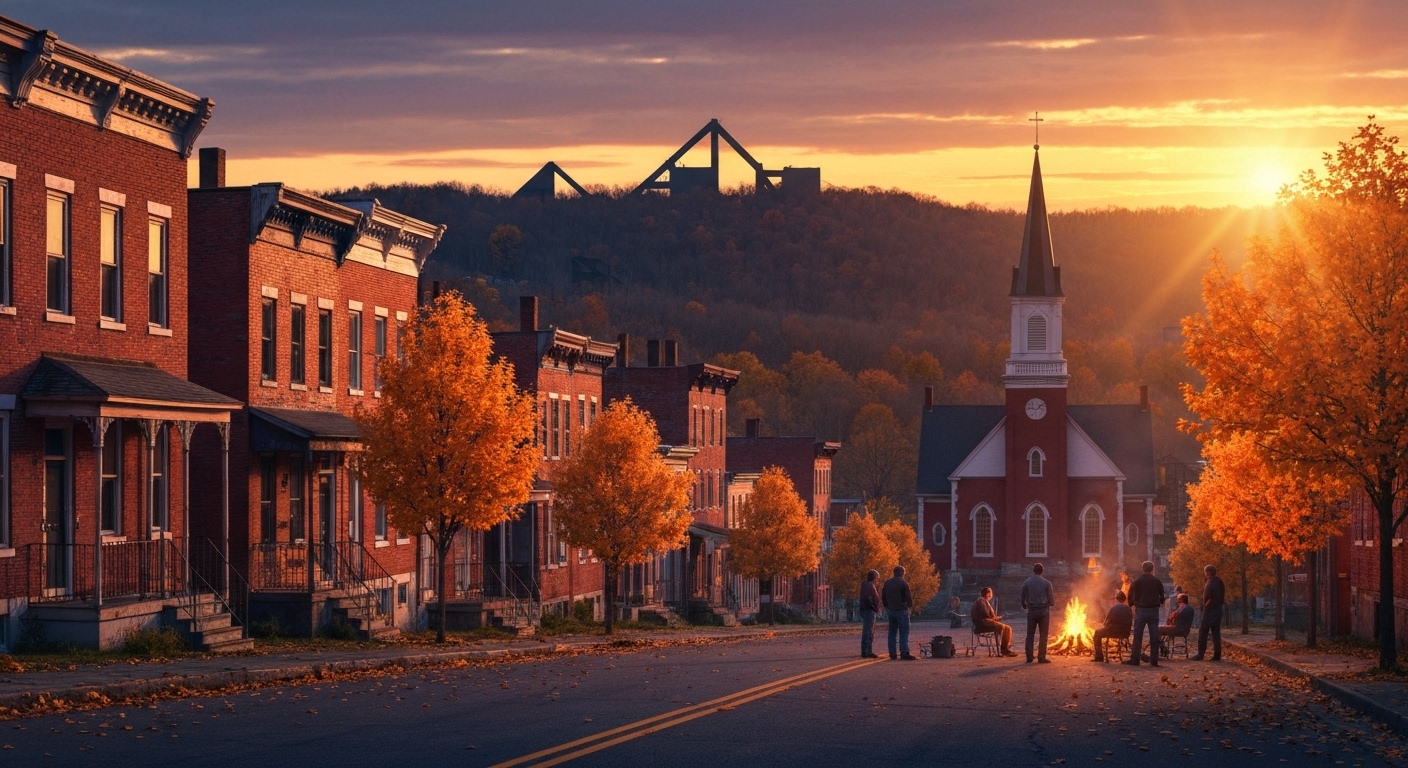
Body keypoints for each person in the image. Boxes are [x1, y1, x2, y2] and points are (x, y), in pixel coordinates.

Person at [1127, 560, 1166, 667]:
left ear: (1142, 569)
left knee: (1137, 635)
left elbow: (1130, 596)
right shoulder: (1157, 581)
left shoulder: (1137, 581)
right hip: (1153, 611)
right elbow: (1162, 596)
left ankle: (1135, 660)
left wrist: (1132, 604)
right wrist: (1159, 603)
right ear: (1152, 569)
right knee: (1154, 636)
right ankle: (1154, 660)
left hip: (1141, 610)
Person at [1020, 563, 1054, 664]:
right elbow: (1052, 601)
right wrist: (1048, 604)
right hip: (1043, 611)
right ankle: (1041, 657)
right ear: (1042, 571)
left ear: (1033, 571)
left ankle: (1029, 657)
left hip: (1032, 611)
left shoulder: (1027, 582)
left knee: (1030, 634)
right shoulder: (1047, 583)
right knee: (1043, 635)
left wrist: (1024, 605)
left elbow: (1022, 596)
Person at [971, 587, 1018, 657]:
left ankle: (1006, 648)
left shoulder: (983, 601)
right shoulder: (981, 601)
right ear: (988, 594)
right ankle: (1004, 649)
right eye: (991, 593)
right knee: (1003, 627)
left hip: (985, 622)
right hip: (983, 624)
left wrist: (997, 617)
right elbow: (986, 615)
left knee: (1008, 628)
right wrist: (994, 618)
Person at [882, 565, 916, 660]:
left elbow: (883, 597)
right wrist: (909, 606)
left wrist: (887, 606)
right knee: (904, 632)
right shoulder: (903, 583)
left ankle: (892, 653)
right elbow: (908, 598)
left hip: (891, 610)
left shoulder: (887, 583)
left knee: (892, 633)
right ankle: (904, 652)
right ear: (901, 573)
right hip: (901, 611)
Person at [1192, 564, 1226, 661]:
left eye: (1205, 572)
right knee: (1216, 633)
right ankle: (1217, 655)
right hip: (1218, 609)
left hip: (1210, 610)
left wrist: (1204, 607)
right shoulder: (1220, 582)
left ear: (1208, 572)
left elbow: (1208, 597)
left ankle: (1200, 654)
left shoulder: (1210, 582)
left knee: (1203, 632)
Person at [1092, 590, 1134, 662]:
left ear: (1116, 599)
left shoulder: (1113, 608)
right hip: (1125, 633)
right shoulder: (1129, 609)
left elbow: (1106, 623)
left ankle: (1099, 657)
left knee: (1097, 633)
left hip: (1112, 632)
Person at [1159, 593, 1195, 658]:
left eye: (1178, 599)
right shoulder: (1190, 608)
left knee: (1158, 629)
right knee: (1162, 629)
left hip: (1177, 629)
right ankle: (1161, 646)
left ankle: (1159, 649)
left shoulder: (1182, 608)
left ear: (1180, 600)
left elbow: (1171, 619)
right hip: (1186, 631)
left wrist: (1171, 619)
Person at [859, 569, 881, 659]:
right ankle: (866, 651)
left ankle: (867, 650)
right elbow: (871, 599)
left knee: (868, 631)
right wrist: (875, 607)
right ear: (874, 578)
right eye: (877, 578)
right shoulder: (869, 586)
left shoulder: (865, 584)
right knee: (868, 631)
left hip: (866, 609)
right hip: (869, 610)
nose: (877, 580)